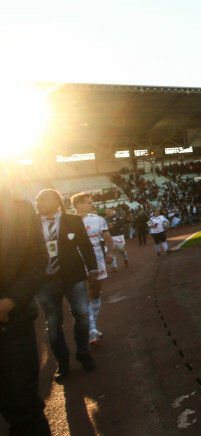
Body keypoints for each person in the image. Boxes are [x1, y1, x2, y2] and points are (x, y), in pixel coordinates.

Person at [0, 174, 51, 435]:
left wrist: (10, 301)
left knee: (24, 406)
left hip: (14, 322)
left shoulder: (20, 207)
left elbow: (37, 257)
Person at [35, 189, 98, 380]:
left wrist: (93, 269)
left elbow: (85, 245)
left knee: (81, 314)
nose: (38, 203)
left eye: (43, 199)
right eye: (37, 200)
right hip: (45, 280)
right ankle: (62, 361)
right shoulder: (32, 224)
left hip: (73, 276)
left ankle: (83, 352)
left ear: (56, 201)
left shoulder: (72, 220)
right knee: (53, 323)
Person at [71, 194, 115, 345]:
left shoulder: (97, 219)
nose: (92, 204)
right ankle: (91, 329)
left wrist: (110, 253)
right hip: (77, 264)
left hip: (97, 262)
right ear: (78, 204)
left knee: (95, 293)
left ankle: (92, 326)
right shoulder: (68, 221)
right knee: (81, 297)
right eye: (89, 202)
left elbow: (108, 238)